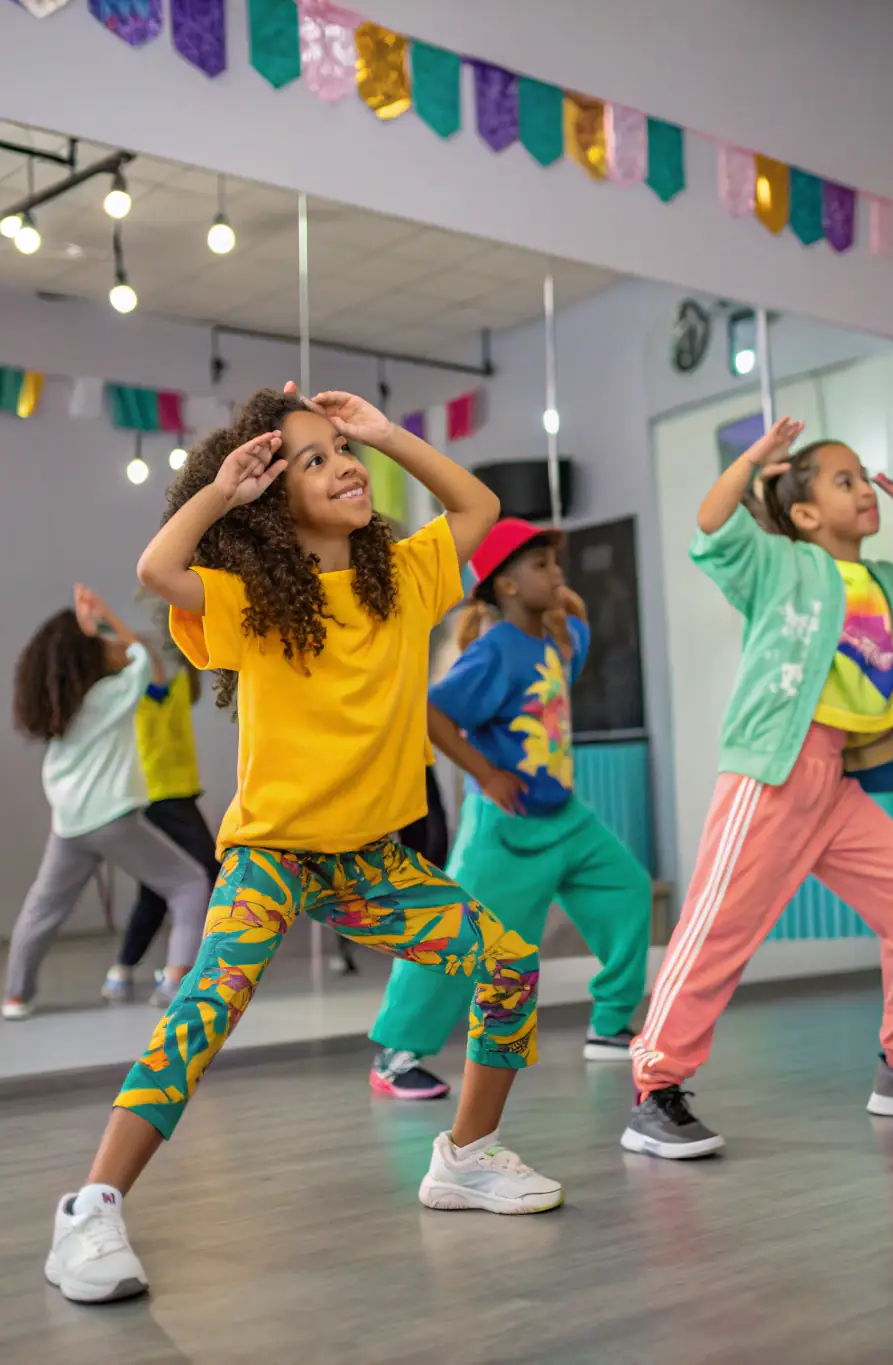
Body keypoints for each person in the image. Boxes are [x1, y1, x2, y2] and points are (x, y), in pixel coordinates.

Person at [44, 385, 562, 1307]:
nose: (343, 464)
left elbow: (476, 509)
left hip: (373, 863)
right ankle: (91, 1205)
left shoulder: (404, 582)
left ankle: (467, 1158)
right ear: (273, 503)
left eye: (341, 451)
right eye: (314, 458)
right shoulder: (254, 604)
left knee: (509, 965)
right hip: (273, 854)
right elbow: (160, 567)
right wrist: (221, 494)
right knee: (204, 1011)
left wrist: (385, 433)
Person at [624, 419, 893, 1161]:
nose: (863, 489)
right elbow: (712, 525)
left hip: (840, 786)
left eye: (863, 476)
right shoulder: (781, 565)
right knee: (718, 927)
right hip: (774, 768)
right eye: (843, 480)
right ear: (805, 512)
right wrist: (752, 462)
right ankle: (653, 1089)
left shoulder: (891, 586)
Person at [369, 517, 651, 1100]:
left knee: (629, 891)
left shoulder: (558, 639)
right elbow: (433, 712)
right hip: (505, 829)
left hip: (567, 819)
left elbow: (577, 620)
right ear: (507, 586)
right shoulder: (494, 650)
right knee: (456, 934)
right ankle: (397, 1054)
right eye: (541, 565)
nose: (557, 572)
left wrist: (561, 597)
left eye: (556, 562)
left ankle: (609, 1027)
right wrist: (485, 773)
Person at [3, 588, 210, 1020]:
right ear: (90, 653)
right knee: (190, 884)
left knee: (42, 910)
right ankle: (175, 983)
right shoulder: (112, 696)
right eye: (100, 640)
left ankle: (16, 996)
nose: (110, 642)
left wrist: (89, 624)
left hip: (70, 824)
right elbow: (142, 657)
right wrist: (104, 616)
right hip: (113, 820)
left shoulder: (65, 706)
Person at [101, 602, 220, 1007]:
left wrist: (189, 616)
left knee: (156, 890)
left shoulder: (175, 696)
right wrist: (118, 623)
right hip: (161, 800)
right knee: (208, 868)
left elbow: (190, 666)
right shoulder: (143, 701)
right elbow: (146, 659)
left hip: (179, 796)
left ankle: (121, 972)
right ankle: (183, 970)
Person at [329, 760, 449, 976]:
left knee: (428, 846)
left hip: (407, 759)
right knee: (357, 855)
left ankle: (421, 930)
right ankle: (349, 939)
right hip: (370, 759)